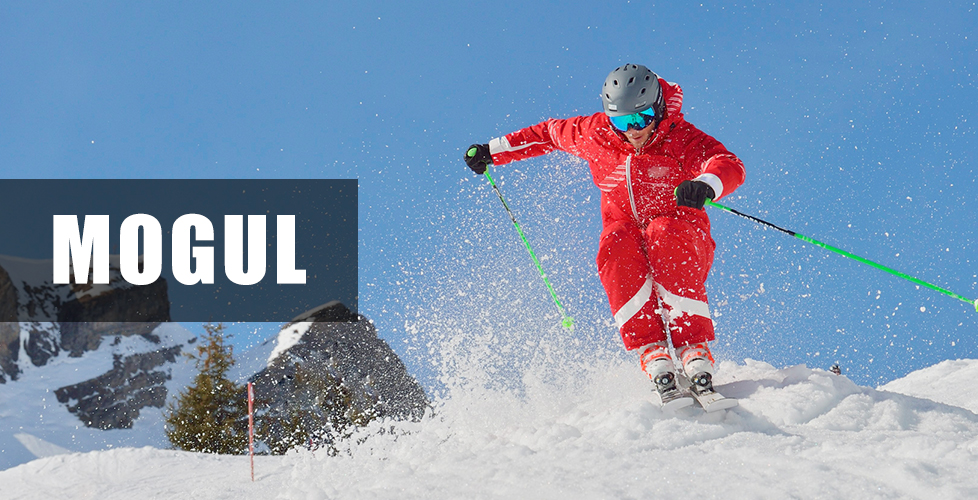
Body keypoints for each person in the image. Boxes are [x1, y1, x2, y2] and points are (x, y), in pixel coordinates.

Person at [463, 64, 745, 405]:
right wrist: (492, 151)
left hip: (681, 235)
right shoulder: (595, 133)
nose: (633, 131)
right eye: (623, 122)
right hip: (626, 232)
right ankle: (653, 351)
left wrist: (705, 184)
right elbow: (548, 134)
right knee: (614, 243)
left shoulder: (680, 137)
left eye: (640, 120)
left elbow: (727, 162)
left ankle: (692, 347)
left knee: (663, 231)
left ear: (657, 108)